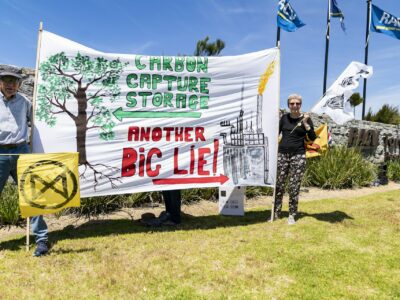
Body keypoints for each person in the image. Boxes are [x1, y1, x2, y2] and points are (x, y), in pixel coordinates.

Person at [0, 71, 49, 256]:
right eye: (6, 81)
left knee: (31, 194)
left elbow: (39, 123)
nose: (10, 84)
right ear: (0, 84)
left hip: (22, 151)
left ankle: (42, 239)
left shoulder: (25, 102)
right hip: (0, 153)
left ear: (19, 84)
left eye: (14, 81)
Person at [273, 94, 317, 225]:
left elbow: (313, 137)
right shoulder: (284, 118)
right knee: (279, 185)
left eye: (297, 103)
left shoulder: (306, 119)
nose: (295, 106)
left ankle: (292, 214)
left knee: (294, 186)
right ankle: (276, 211)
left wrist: (305, 123)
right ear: (288, 105)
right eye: (292, 103)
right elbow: (276, 132)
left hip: (298, 155)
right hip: (282, 154)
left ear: (301, 105)